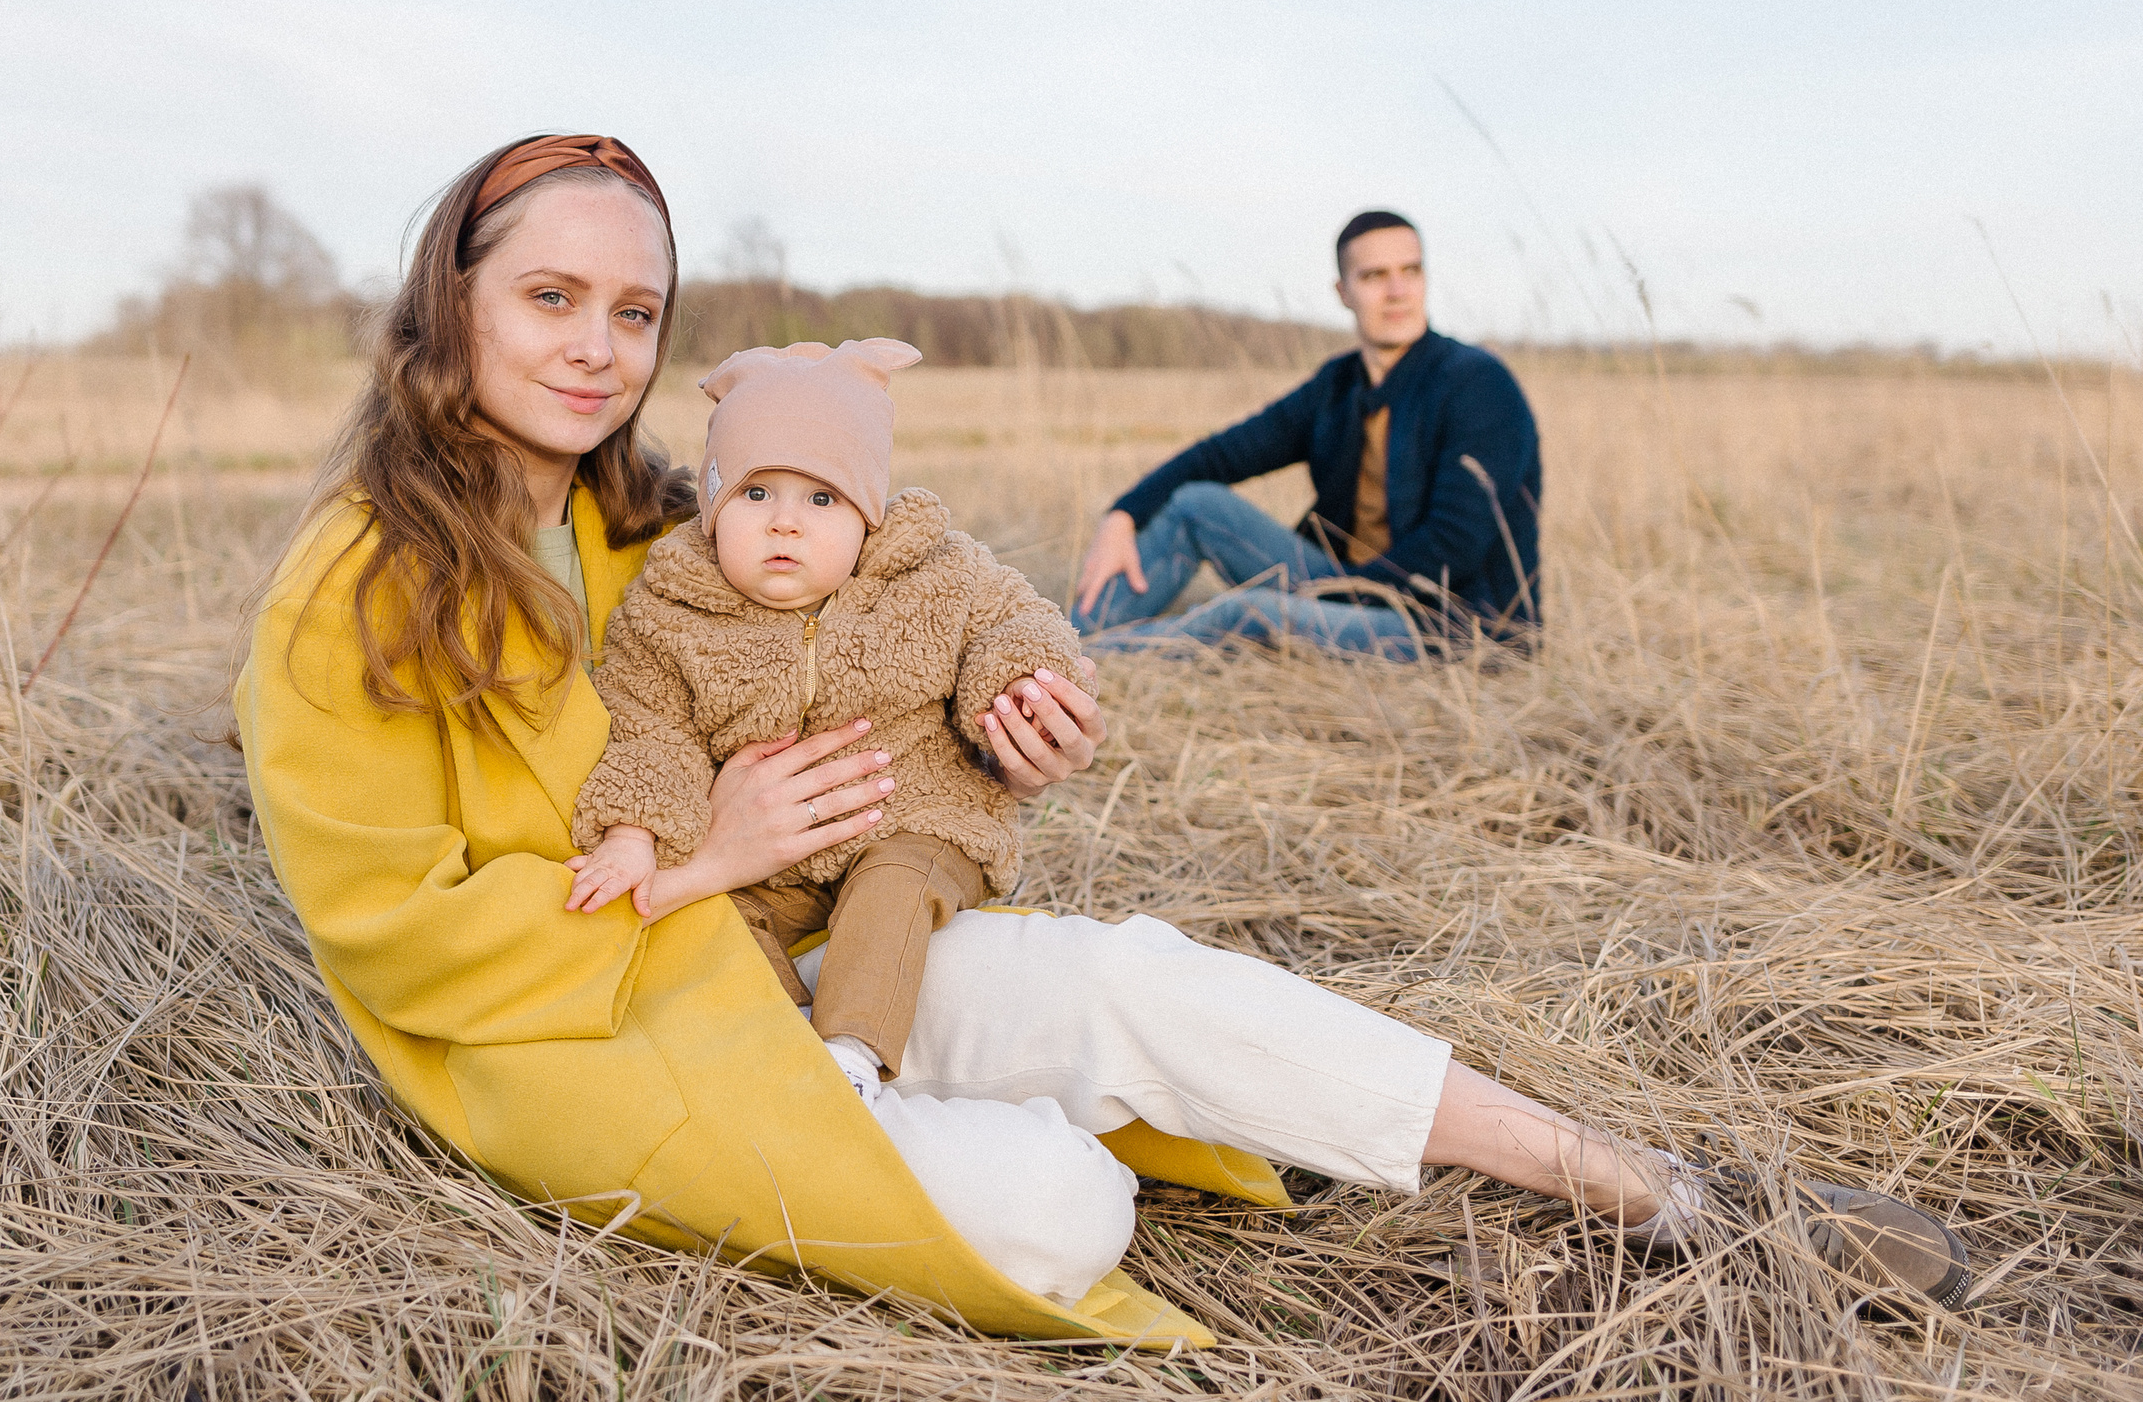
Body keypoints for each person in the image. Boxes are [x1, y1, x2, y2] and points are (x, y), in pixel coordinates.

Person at [234, 137, 1972, 1339]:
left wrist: (996, 723)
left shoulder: (666, 529)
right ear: (448, 295)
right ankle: (938, 1120)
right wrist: (713, 857)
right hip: (586, 1041)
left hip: (796, 950)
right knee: (1065, 1209)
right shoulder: (355, 587)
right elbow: (400, 947)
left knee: (1145, 977)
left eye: (634, 312)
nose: (599, 348)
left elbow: (861, 703)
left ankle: (1659, 1186)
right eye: (552, 299)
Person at [566, 336, 1087, 1103]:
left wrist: (1016, 688)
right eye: (755, 494)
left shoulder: (929, 572)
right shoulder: (672, 609)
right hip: (769, 866)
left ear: (867, 515)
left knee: (897, 887)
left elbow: (1014, 622)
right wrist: (633, 833)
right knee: (710, 922)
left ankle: (848, 1052)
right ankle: (776, 1059)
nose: (785, 523)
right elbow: (649, 727)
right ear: (711, 505)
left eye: (820, 498)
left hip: (916, 816)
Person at [1073, 210, 1542, 659]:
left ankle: (1075, 665)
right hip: (1350, 587)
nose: (1398, 291)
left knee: (1253, 613)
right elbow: (1223, 455)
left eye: (1411, 270)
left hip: (1453, 626)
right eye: (1375, 276)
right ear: (1343, 291)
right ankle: (1063, 642)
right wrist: (1123, 514)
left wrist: (1330, 601)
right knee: (1196, 505)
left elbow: (1453, 544)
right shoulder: (1337, 386)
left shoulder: (1478, 383)